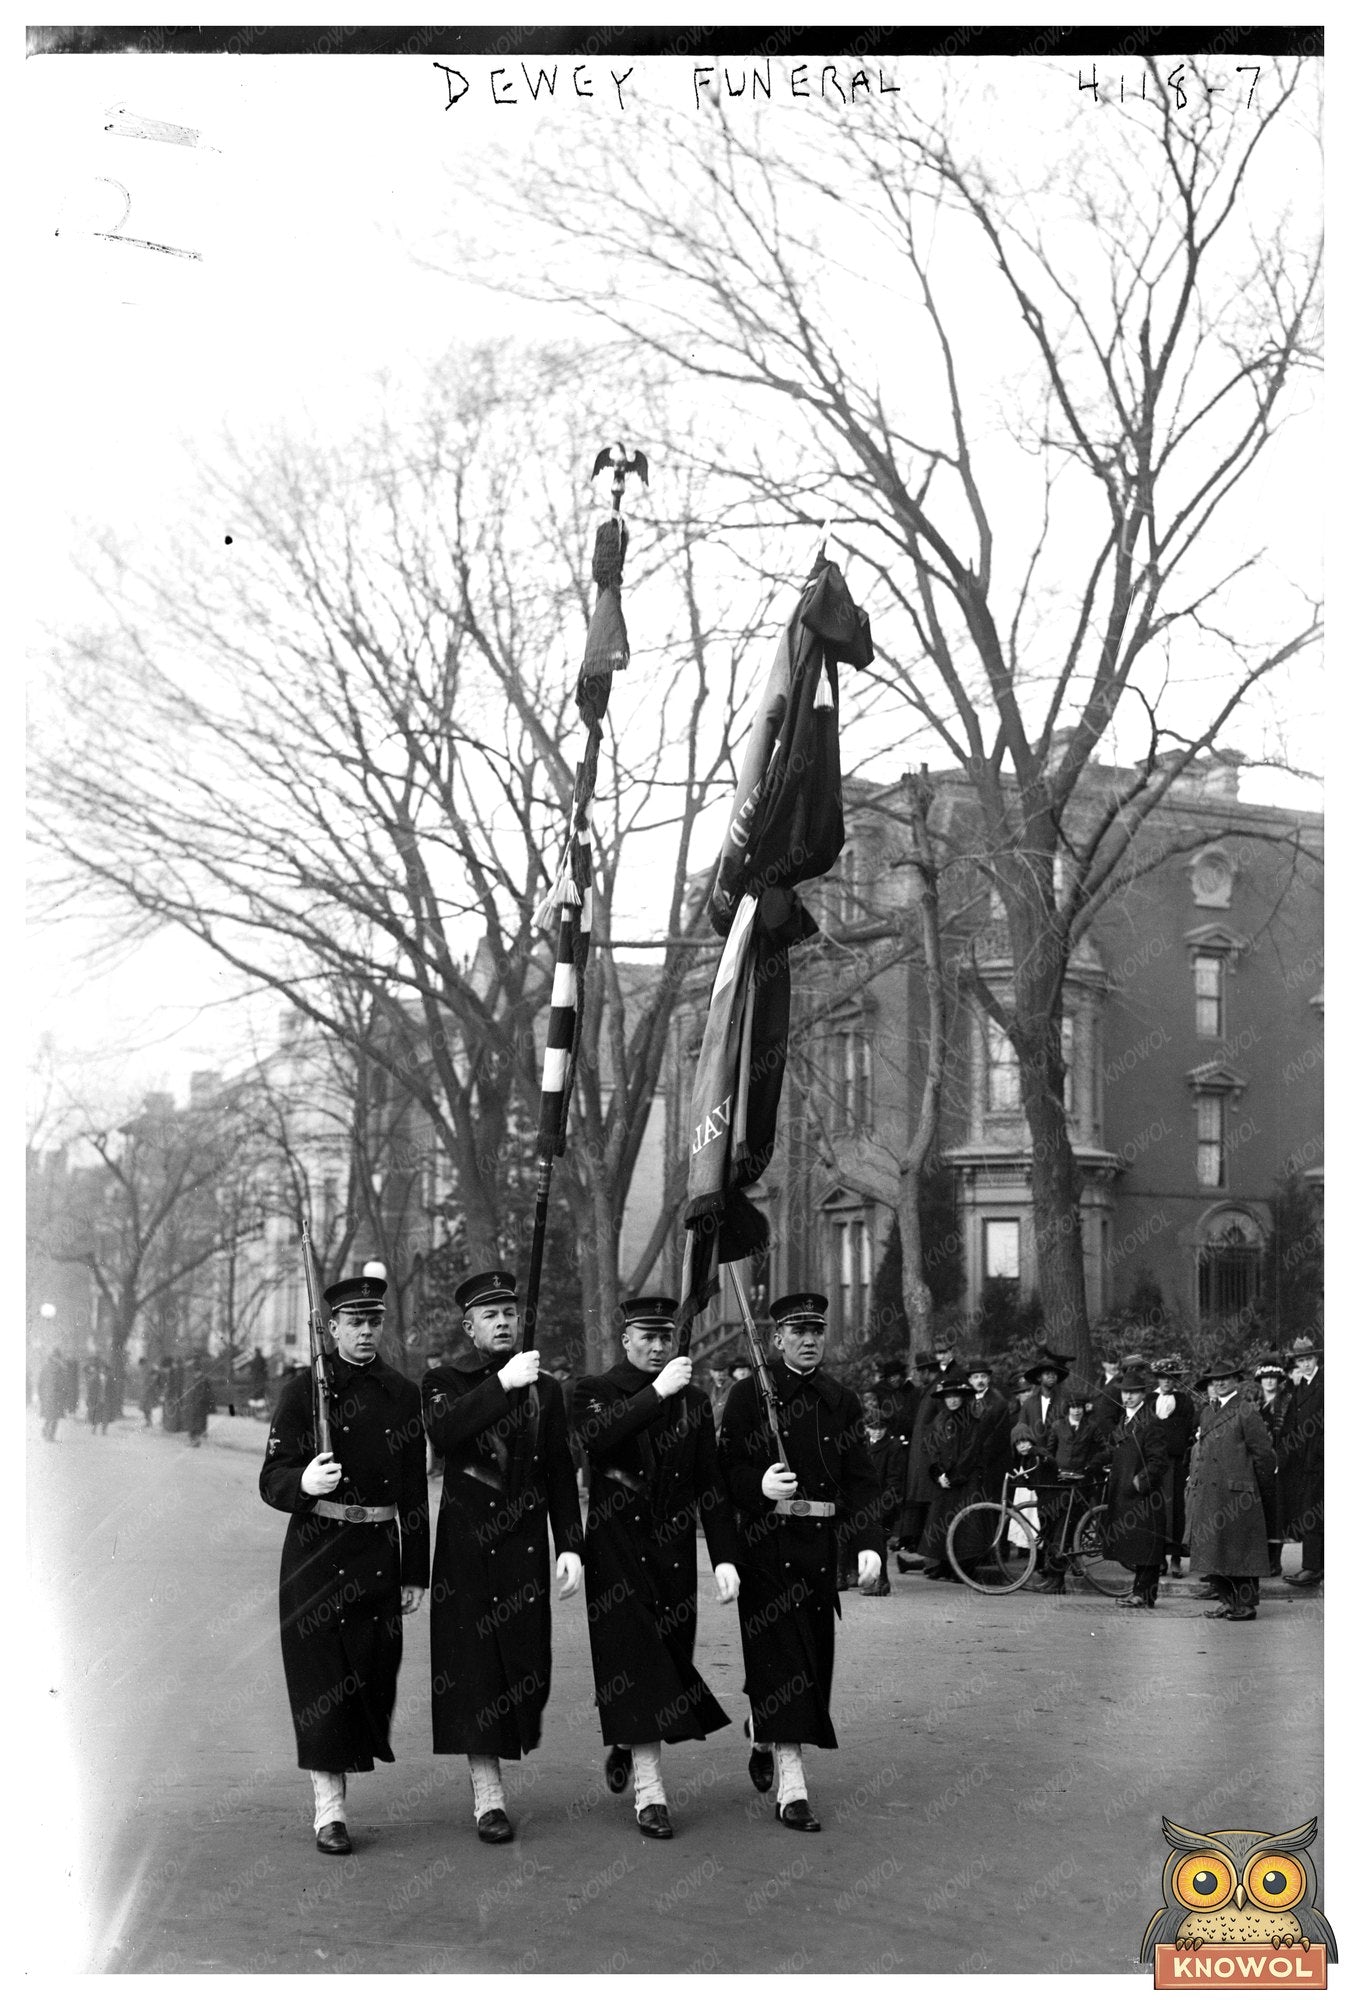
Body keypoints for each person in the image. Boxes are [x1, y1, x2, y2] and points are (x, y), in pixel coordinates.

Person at [260, 1271, 429, 1855]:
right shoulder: (303, 1390)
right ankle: (328, 1810)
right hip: (315, 1554)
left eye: (373, 1321)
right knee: (321, 1685)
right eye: (353, 1323)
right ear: (330, 1328)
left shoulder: (402, 1394)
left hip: (378, 1558)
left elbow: (413, 1493)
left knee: (370, 1679)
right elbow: (272, 1477)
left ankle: (342, 1782)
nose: (364, 1331)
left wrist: (415, 1570)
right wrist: (303, 1482)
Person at [421, 1270, 583, 1844]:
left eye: (510, 1314)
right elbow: (445, 1431)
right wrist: (500, 1387)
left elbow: (560, 1470)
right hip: (467, 1550)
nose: (503, 1323)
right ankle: (488, 1797)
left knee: (525, 1668)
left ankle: (500, 1762)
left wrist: (571, 1544)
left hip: (525, 1545)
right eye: (490, 1316)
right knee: (475, 1669)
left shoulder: (548, 1388)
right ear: (470, 1327)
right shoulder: (445, 1380)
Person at [574, 1297, 741, 1839]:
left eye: (664, 1337)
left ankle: (626, 1738)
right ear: (625, 1339)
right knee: (636, 1657)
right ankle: (651, 1793)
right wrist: (656, 1392)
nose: (656, 1346)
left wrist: (724, 1556)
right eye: (645, 1336)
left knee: (665, 1661)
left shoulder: (694, 1401)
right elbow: (595, 1441)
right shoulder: (594, 1391)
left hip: (671, 1554)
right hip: (615, 1551)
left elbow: (710, 1484)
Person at [718, 1293, 882, 1833]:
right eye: (797, 1331)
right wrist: (758, 1485)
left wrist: (868, 1543)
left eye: (816, 1330)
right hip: (765, 1550)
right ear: (776, 1340)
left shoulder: (841, 1401)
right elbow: (723, 1475)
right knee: (781, 1662)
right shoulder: (747, 1397)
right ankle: (793, 1790)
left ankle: (763, 1730)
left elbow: (861, 1480)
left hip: (818, 1553)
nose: (809, 1339)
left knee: (808, 1668)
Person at [1185, 1357, 1277, 1623]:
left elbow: (1264, 1454)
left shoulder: (1246, 1410)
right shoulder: (1207, 1412)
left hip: (1238, 1494)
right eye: (1215, 1379)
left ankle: (1246, 1604)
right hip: (1210, 1493)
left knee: (1242, 1552)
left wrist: (1257, 1487)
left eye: (1225, 1378)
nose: (1220, 1382)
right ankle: (1227, 1601)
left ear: (1236, 1381)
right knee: (1216, 1552)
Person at [1101, 1368, 1169, 1609]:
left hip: (1144, 1495)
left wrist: (1139, 1482)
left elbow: (1159, 1461)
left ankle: (1144, 1594)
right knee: (1138, 1546)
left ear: (1142, 1395)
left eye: (1133, 1393)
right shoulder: (1124, 1420)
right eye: (1124, 1393)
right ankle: (1140, 1592)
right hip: (1124, 1492)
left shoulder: (1151, 1423)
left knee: (1147, 1547)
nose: (1128, 1397)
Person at [920, 1376, 977, 1581]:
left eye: (956, 1397)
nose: (952, 1401)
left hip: (963, 1480)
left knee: (962, 1523)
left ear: (962, 1398)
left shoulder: (970, 1420)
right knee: (940, 1521)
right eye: (948, 1397)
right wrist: (938, 1473)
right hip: (943, 1480)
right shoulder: (940, 1419)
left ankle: (960, 1569)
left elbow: (970, 1451)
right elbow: (931, 1447)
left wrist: (954, 1475)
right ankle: (941, 1564)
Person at [1148, 1358, 1195, 1577]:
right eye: (1163, 1378)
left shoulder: (1184, 1401)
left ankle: (1176, 1558)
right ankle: (1158, 1559)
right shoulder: (1149, 1400)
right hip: (1154, 1461)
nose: (1167, 1382)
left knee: (1176, 1509)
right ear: (1158, 1379)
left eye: (1171, 1378)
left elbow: (1186, 1430)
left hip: (1175, 1463)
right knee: (1156, 1508)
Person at [1283, 1336, 1323, 1588]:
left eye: (1308, 1359)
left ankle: (1312, 1568)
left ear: (1316, 1359)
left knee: (1313, 1512)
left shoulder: (1325, 1383)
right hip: (1304, 1459)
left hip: (1320, 1458)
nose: (1305, 1364)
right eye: (1301, 1360)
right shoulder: (1300, 1386)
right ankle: (1314, 1566)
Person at [896, 1350, 943, 1556]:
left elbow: (941, 1422)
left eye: (920, 1371)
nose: (918, 1376)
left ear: (926, 1371)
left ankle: (926, 1546)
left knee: (929, 1501)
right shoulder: (928, 1389)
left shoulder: (937, 1389)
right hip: (921, 1454)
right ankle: (918, 1543)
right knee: (920, 1499)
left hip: (928, 1454)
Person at [1251, 1356, 1292, 1579]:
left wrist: (1280, 1460)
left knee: (1277, 1512)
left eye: (1273, 1377)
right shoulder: (1255, 1405)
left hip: (1278, 1466)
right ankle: (1262, 1560)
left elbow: (1291, 1436)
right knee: (1261, 1511)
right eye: (1265, 1377)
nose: (1269, 1381)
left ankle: (1275, 1561)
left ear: (1279, 1379)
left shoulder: (1286, 1404)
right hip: (1258, 1465)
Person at [39, 1349, 67, 1442]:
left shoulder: (46, 1367)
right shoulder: (59, 1368)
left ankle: (46, 1432)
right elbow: (61, 1383)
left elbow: (41, 1383)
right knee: (54, 1417)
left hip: (50, 1397)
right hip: (55, 1397)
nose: (57, 1359)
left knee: (51, 1417)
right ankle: (50, 1436)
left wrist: (42, 1396)